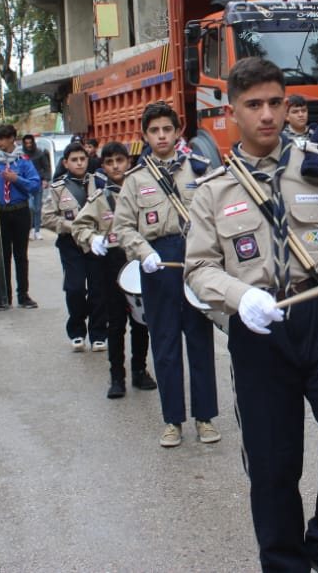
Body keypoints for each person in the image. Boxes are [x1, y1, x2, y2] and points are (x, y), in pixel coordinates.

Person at [186, 57, 318, 573]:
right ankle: (285, 564)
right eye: (253, 104)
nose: (267, 114)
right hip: (259, 330)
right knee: (273, 464)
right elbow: (198, 269)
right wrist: (239, 296)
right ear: (232, 112)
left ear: (286, 105)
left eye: (275, 103)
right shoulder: (213, 189)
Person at [112, 103, 218, 447]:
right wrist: (143, 253)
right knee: (166, 345)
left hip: (195, 261)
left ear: (178, 132)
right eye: (154, 131)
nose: (161, 136)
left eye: (167, 130)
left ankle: (205, 418)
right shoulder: (135, 179)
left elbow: (215, 217)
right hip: (157, 265)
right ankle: (173, 421)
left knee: (200, 341)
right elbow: (123, 226)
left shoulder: (199, 169)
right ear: (145, 135)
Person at [72, 141, 157, 399]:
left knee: (141, 321)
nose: (115, 166)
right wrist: (92, 238)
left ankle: (140, 370)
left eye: (120, 160)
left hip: (139, 261)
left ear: (128, 162)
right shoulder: (100, 198)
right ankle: (117, 376)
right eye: (109, 162)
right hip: (111, 265)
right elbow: (79, 226)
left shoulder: (142, 192)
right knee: (116, 323)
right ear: (103, 166)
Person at [43, 141, 109, 352]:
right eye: (74, 160)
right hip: (70, 244)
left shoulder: (100, 183)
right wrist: (70, 226)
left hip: (96, 243)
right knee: (75, 288)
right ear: (66, 163)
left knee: (98, 289)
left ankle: (99, 334)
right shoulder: (58, 188)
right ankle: (77, 331)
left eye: (82, 159)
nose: (79, 163)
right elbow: (47, 217)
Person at [0, 125, 41, 310]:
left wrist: (16, 180)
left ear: (12, 138)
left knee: (21, 255)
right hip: (1, 213)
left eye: (2, 138)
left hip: (20, 211)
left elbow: (35, 186)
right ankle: (5, 297)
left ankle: (23, 296)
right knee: (3, 256)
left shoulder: (23, 162)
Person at [22, 134, 51, 240]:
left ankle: (37, 231)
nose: (28, 145)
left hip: (38, 183)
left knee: (38, 208)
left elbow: (46, 167)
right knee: (30, 207)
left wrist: (45, 179)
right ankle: (29, 229)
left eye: (30, 143)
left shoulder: (39, 153)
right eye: (26, 143)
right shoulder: (21, 154)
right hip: (26, 183)